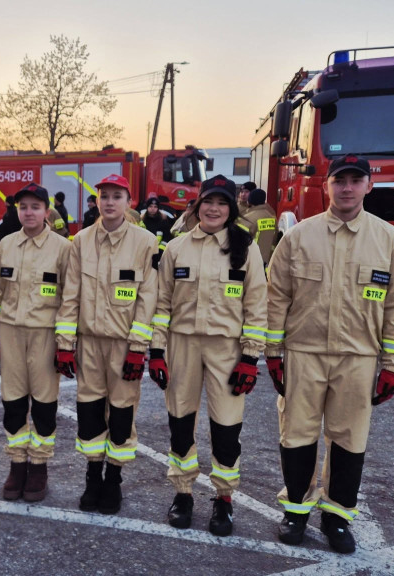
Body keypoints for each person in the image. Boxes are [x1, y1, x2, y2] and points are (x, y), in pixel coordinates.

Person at [267, 154, 394, 554]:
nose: (347, 188)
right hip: (303, 353)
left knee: (349, 440)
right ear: (327, 185)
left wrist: (393, 366)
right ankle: (296, 511)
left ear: (369, 186)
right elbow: (276, 297)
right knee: (297, 434)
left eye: (355, 180)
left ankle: (337, 518)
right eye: (339, 180)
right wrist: (273, 352)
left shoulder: (391, 241)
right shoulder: (299, 237)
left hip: (359, 358)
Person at [147, 175, 267, 536]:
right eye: (208, 202)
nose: (214, 208)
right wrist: (155, 349)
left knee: (226, 429)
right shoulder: (176, 248)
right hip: (182, 345)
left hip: (227, 350)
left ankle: (223, 500)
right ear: (198, 206)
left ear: (231, 209)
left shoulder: (246, 247)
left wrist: (250, 356)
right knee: (180, 424)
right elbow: (161, 303)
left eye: (222, 203)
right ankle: (182, 494)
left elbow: (257, 305)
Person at [55, 174, 159, 515]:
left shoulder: (145, 242)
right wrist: (65, 343)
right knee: (88, 411)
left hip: (123, 345)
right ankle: (92, 477)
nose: (109, 202)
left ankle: (113, 480)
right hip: (88, 344)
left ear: (128, 202)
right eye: (104, 196)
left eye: (117, 196)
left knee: (121, 411)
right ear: (96, 201)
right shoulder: (81, 241)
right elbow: (70, 294)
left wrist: (138, 346)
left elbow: (148, 298)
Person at [0, 183, 72, 502]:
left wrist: (65, 344)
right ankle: (17, 463)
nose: (29, 212)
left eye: (35, 206)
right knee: (13, 402)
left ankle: (39, 466)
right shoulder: (6, 244)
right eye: (23, 207)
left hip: (45, 334)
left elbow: (70, 297)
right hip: (10, 333)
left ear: (47, 211)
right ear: (16, 210)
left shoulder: (63, 248)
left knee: (45, 404)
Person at [237, 188, 277, 267]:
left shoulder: (248, 218)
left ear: (250, 201)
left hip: (251, 261)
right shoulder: (272, 217)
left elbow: (238, 242)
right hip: (268, 260)